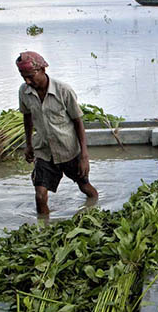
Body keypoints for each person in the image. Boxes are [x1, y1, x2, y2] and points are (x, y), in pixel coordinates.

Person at [17, 51, 98, 216]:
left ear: (42, 70)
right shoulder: (24, 91)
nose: (27, 81)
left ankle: (95, 207)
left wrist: (84, 156)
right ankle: (44, 232)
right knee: (40, 196)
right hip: (44, 151)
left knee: (85, 188)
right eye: (23, 76)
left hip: (68, 149)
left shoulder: (63, 91)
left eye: (31, 76)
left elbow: (78, 122)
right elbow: (27, 117)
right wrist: (29, 145)